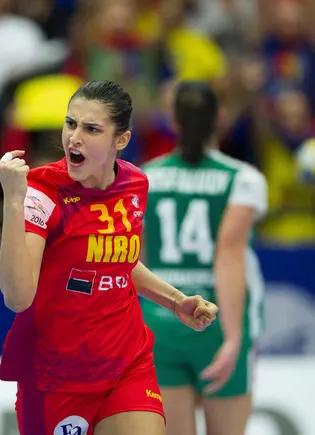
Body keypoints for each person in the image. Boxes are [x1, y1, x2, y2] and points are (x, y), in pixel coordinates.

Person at [0, 80, 219, 435]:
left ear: (121, 140)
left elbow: (119, 263)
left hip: (126, 364)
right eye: (70, 123)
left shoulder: (135, 185)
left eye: (91, 128)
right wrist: (12, 201)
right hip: (56, 376)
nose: (74, 137)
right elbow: (18, 297)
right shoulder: (41, 193)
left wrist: (175, 301)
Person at [140, 81, 268, 435]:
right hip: (217, 317)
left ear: (172, 120)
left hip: (160, 318)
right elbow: (228, 256)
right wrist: (233, 338)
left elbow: (133, 257)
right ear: (220, 118)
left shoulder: (146, 176)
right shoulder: (243, 178)